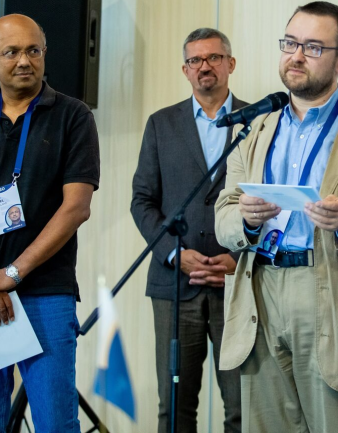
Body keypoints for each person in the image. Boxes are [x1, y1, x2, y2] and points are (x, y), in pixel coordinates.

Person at [214, 1, 338, 433]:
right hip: (260, 291)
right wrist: (246, 221)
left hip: (333, 292)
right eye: (289, 43)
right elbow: (223, 216)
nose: (296, 56)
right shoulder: (254, 129)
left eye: (313, 47)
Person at [0, 14, 100, 432]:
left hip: (44, 294)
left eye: (33, 50)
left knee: (55, 423)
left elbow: (76, 208)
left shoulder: (73, 117)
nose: (24, 60)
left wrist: (10, 275)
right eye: (11, 52)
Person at [131, 28, 245, 432]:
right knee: (175, 409)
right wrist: (173, 253)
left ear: (231, 64)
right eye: (195, 60)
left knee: (243, 408)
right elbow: (142, 200)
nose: (204, 66)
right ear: (185, 70)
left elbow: (272, 201)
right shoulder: (161, 124)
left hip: (239, 286)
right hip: (175, 288)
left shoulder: (260, 121)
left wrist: (239, 257)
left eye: (214, 57)